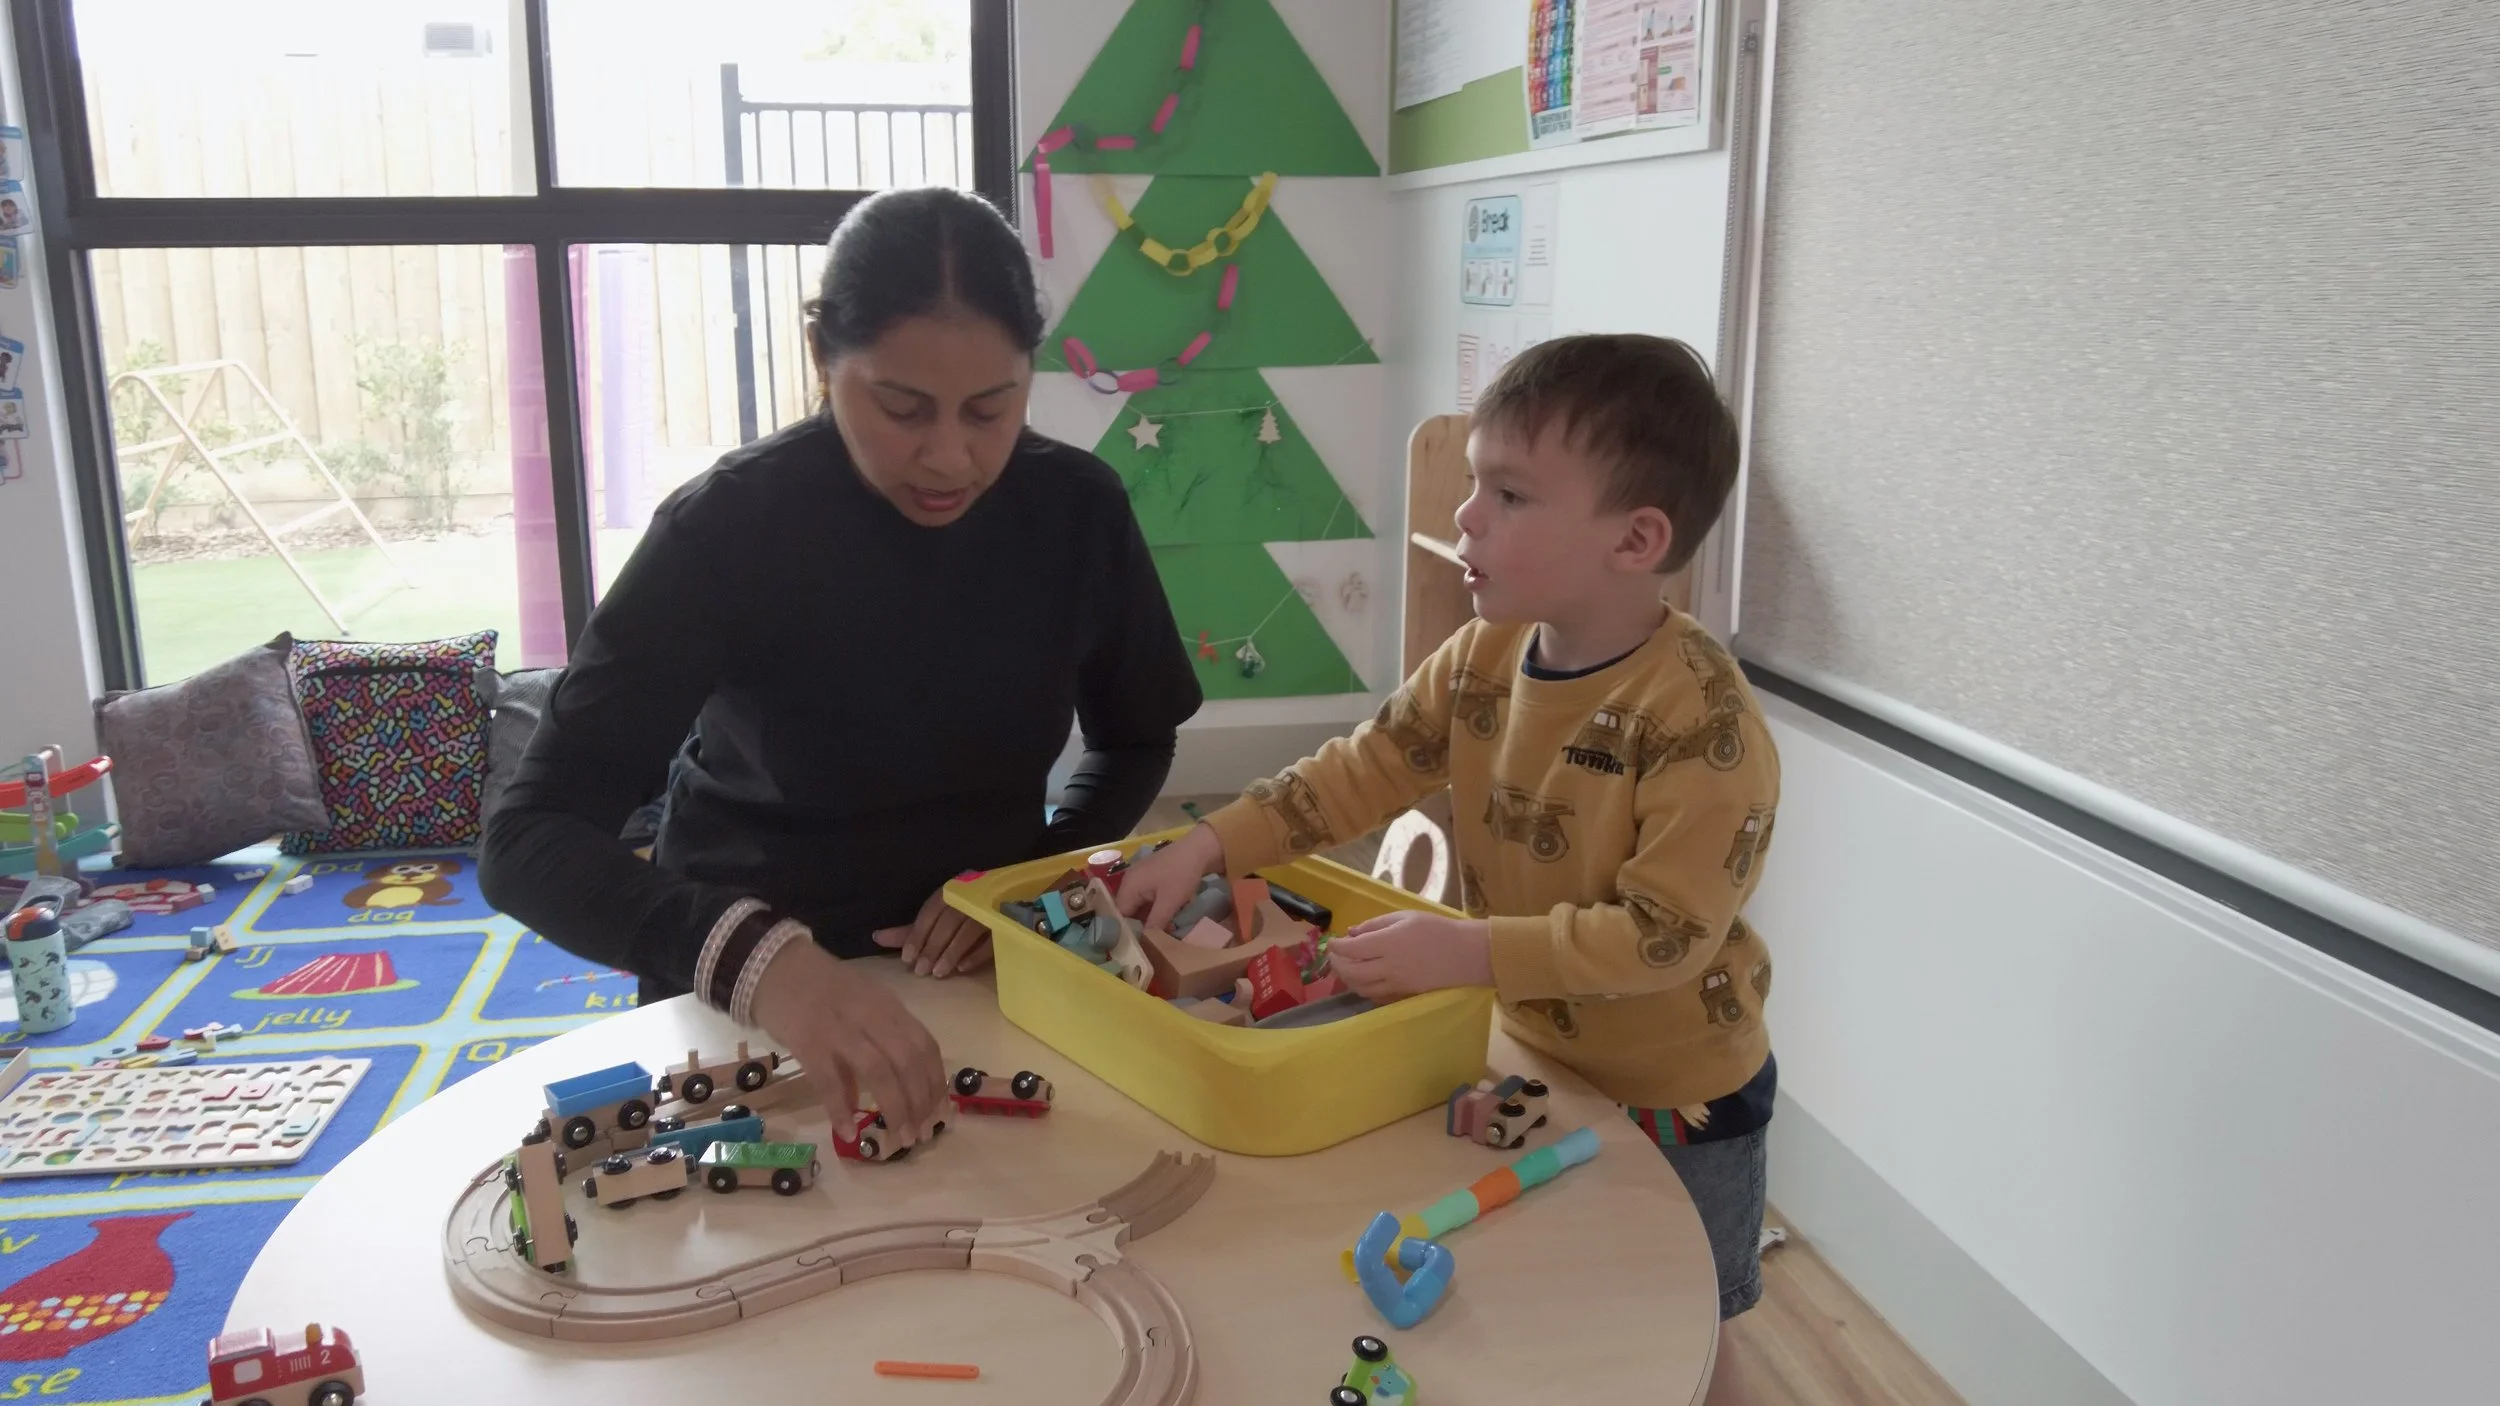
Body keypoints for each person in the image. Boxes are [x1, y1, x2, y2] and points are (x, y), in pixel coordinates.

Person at [1117, 334, 1777, 1402]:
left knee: (1685, 1325)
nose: (1466, 514)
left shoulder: (1698, 716)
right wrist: (1206, 840)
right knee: (1555, 1292)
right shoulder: (1481, 657)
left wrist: (1464, 950)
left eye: (1508, 493)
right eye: (1473, 480)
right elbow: (1358, 771)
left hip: (1679, 1088)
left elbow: (1662, 934)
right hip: (1535, 1051)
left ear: (1637, 537)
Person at [480, 186, 1203, 1146]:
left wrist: (1028, 880)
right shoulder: (728, 528)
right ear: (823, 360)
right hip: (745, 984)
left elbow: (1138, 736)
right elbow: (527, 837)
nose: (950, 459)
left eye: (992, 409)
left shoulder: (1077, 512)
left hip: (983, 964)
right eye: (902, 409)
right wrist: (754, 956)